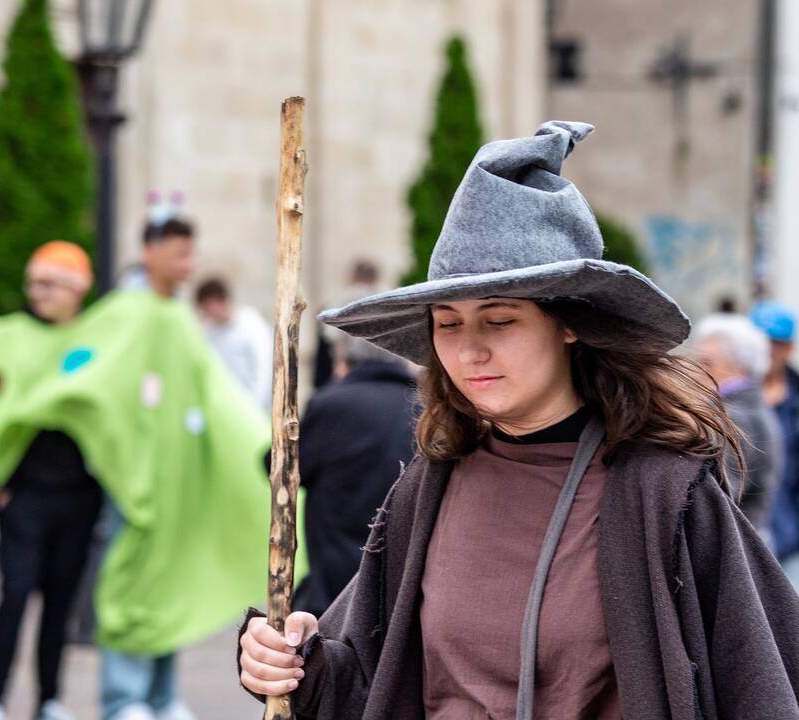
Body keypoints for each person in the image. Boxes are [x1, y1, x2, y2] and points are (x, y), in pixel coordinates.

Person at [237, 122, 799, 719]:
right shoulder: (430, 487)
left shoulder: (664, 492)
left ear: (569, 322)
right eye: (447, 323)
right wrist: (292, 661)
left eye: (499, 320)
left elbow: (764, 687)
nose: (469, 351)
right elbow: (369, 686)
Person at [0, 242, 105, 720]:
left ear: (76, 288)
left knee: (60, 603)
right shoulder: (10, 336)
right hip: (24, 495)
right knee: (13, 596)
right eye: (33, 284)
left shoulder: (96, 338)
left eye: (48, 284)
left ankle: (49, 698)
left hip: (79, 496)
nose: (37, 293)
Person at [101, 212, 197, 720]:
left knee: (168, 583)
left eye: (191, 253)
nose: (190, 264)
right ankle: (123, 695)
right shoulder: (125, 312)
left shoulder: (178, 316)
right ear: (150, 251)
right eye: (180, 252)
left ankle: (161, 694)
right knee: (129, 584)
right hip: (132, 480)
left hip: (173, 480)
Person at [293, 336, 416, 618]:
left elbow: (283, 470)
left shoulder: (331, 403)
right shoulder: (428, 406)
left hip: (333, 584)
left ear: (343, 363)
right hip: (403, 583)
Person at [692, 313, 784, 538]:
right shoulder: (751, 408)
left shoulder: (735, 417)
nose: (696, 371)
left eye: (707, 363)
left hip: (735, 550)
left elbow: (711, 503)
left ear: (739, 367)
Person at [751, 301, 799, 583]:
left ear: (788, 347)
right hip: (745, 534)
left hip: (791, 538)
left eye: (775, 343)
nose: (769, 351)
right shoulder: (729, 399)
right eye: (762, 342)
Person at [194, 277, 273, 411]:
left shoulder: (251, 325)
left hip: (253, 405)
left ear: (219, 301)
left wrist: (253, 408)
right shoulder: (208, 331)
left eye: (207, 307)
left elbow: (263, 370)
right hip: (224, 406)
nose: (205, 313)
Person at [314, 259, 381, 389]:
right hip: (380, 371)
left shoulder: (338, 302)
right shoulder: (384, 302)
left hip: (348, 370)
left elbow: (331, 338)